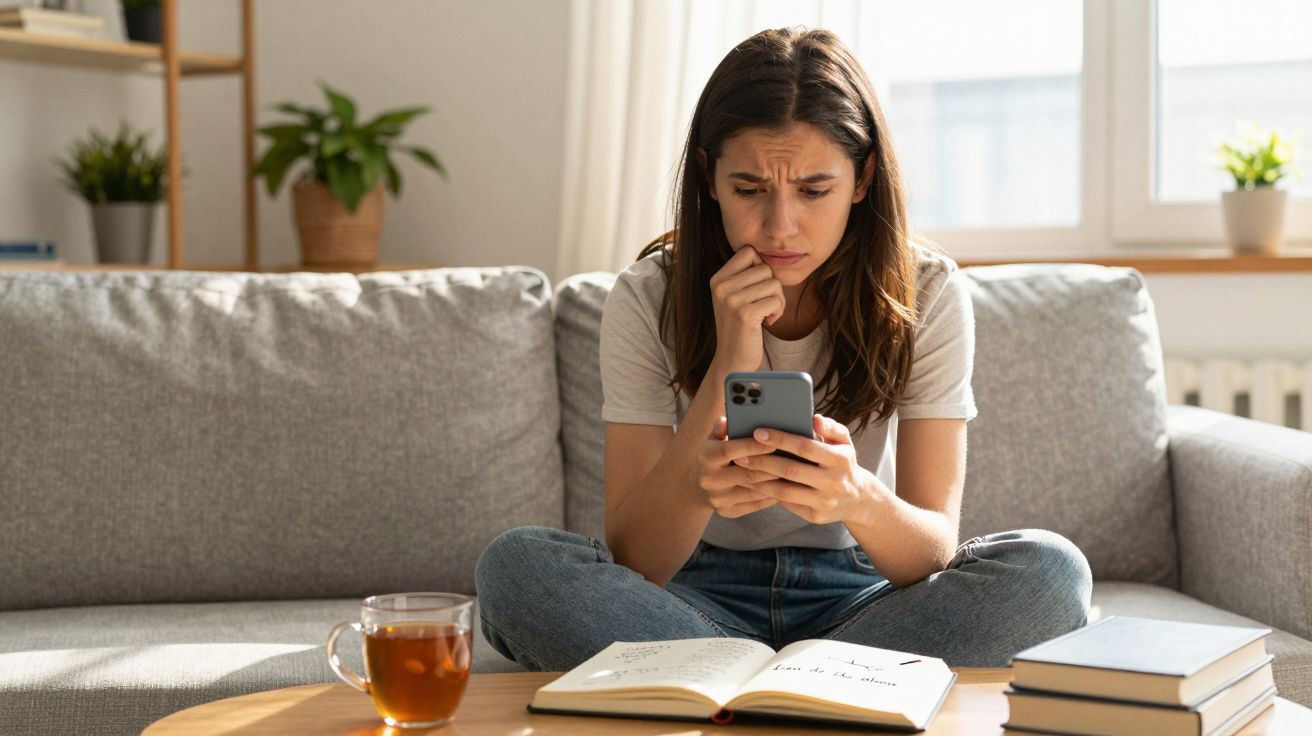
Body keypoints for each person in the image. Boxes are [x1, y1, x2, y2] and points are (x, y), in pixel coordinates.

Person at [475, 27, 1091, 671]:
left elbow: (933, 549)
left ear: (863, 177)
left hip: (859, 590)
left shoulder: (927, 291)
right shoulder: (647, 295)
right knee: (518, 567)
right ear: (709, 178)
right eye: (748, 190)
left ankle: (723, 680)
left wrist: (855, 496)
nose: (779, 226)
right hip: (689, 592)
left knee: (1050, 574)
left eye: (814, 190)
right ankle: (826, 684)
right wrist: (728, 364)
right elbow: (639, 561)